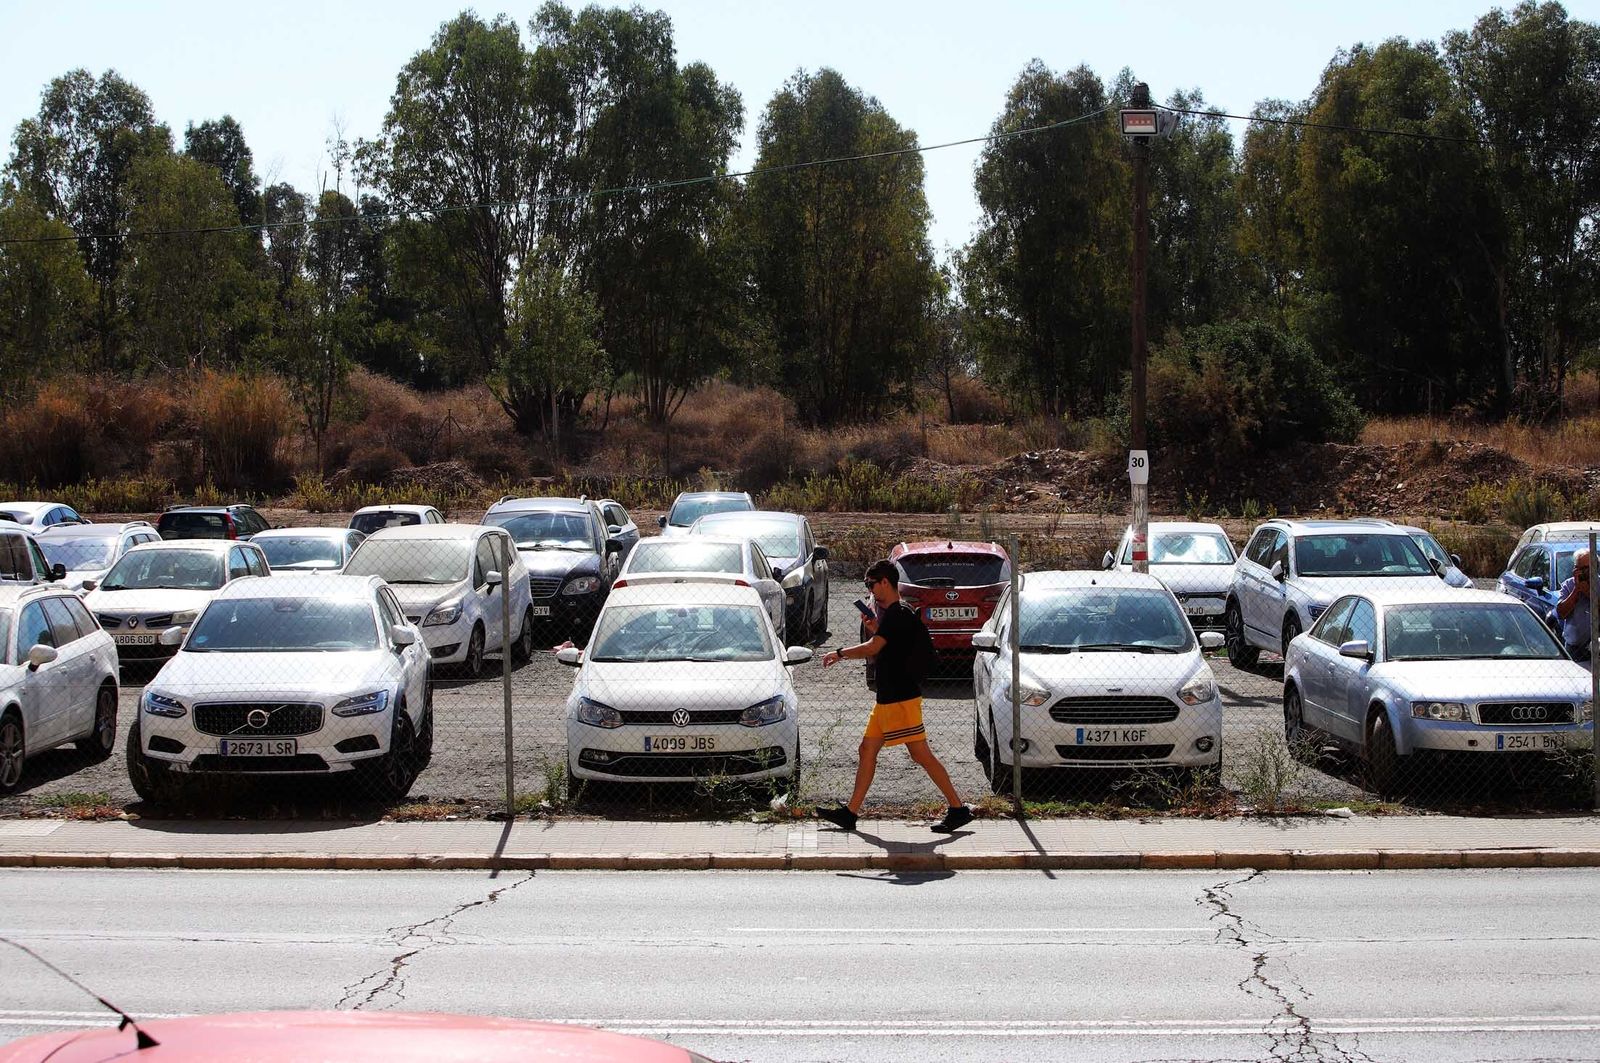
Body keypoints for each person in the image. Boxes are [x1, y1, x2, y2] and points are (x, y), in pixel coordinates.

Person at [816, 559, 972, 834]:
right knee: (867, 750)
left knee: (921, 754)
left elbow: (873, 648)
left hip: (900, 698)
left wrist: (838, 653)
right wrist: (875, 627)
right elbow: (887, 644)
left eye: (871, 585)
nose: (870, 591)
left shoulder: (899, 614)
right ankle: (850, 813)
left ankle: (958, 808)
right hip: (889, 698)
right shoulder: (895, 616)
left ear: (885, 582)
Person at [1555, 549, 1593, 664]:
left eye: (1586, 568)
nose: (1583, 572)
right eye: (1578, 568)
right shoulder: (1568, 585)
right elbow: (1561, 613)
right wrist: (1576, 589)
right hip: (1574, 646)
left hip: (1596, 644)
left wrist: (1588, 592)